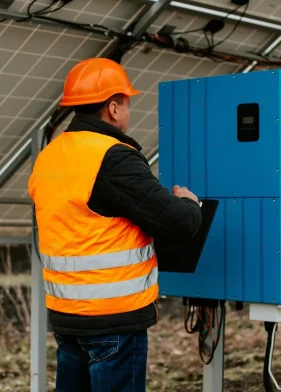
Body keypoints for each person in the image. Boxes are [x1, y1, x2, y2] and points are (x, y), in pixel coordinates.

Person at [28, 57, 202, 392]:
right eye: (126, 103)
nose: (127, 110)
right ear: (113, 108)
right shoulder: (112, 156)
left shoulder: (48, 157)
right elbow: (179, 222)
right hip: (113, 322)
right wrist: (188, 203)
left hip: (67, 317)